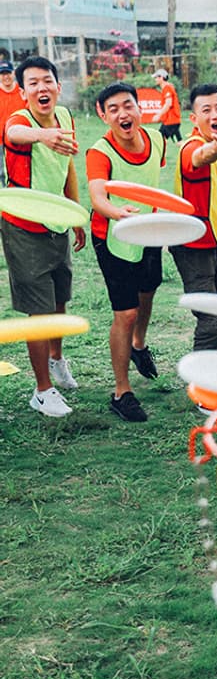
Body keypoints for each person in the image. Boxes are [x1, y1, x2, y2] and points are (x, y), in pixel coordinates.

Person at [1, 57, 85, 417]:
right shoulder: (21, 120)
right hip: (23, 226)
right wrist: (42, 135)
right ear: (23, 92)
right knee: (39, 309)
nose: (41, 88)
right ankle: (41, 390)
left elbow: (68, 167)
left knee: (59, 297)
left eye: (47, 81)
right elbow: (12, 134)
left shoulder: (65, 117)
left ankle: (56, 360)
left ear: (58, 87)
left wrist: (75, 213)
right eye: (32, 83)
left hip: (57, 222)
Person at [87, 82, 167, 422]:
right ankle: (122, 393)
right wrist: (117, 213)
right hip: (113, 236)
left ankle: (138, 345)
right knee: (126, 313)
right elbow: (97, 197)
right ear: (104, 116)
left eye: (128, 105)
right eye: (114, 109)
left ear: (139, 108)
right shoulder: (99, 152)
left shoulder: (157, 140)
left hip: (147, 230)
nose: (123, 113)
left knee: (148, 290)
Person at [171, 83, 217, 351]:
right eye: (206, 110)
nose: (215, 115)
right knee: (211, 319)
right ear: (194, 119)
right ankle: (201, 373)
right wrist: (213, 149)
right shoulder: (192, 147)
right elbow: (199, 157)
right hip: (193, 247)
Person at [0, 60, 25, 187]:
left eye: (8, 73)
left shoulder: (22, 91)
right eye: (2, 74)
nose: (6, 77)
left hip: (19, 138)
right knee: (1, 172)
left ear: (13, 73)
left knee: (19, 169)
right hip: (0, 139)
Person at [151, 68, 182, 142]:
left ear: (161, 77)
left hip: (171, 121)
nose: (155, 79)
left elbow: (168, 104)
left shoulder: (167, 88)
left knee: (160, 140)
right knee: (179, 142)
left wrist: (159, 115)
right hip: (172, 120)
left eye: (156, 77)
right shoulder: (168, 87)